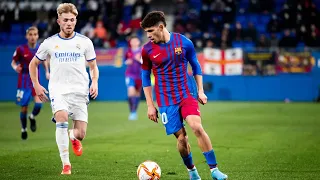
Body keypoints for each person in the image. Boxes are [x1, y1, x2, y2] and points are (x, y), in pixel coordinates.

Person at [140, 11, 228, 180]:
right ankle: (192, 171)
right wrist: (150, 105)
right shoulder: (147, 50)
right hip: (165, 100)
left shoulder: (184, 43)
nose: (148, 35)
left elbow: (196, 67)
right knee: (182, 139)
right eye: (146, 32)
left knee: (196, 126)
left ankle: (214, 170)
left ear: (160, 27)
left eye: (150, 31)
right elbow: (145, 78)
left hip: (186, 93)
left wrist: (201, 90)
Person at [29, 3, 99, 175]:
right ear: (59, 20)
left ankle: (73, 136)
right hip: (58, 90)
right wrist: (36, 84)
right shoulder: (49, 43)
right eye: (66, 20)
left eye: (72, 20)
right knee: (61, 118)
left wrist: (94, 81)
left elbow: (93, 66)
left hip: (80, 91)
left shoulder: (85, 42)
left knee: (81, 133)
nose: (69, 23)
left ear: (76, 21)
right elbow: (33, 63)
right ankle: (66, 164)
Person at [11, 26, 49, 140]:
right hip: (23, 81)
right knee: (24, 108)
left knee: (38, 104)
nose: (33, 37)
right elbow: (13, 62)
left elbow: (44, 60)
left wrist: (47, 72)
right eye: (30, 34)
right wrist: (15, 67)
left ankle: (32, 117)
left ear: (37, 36)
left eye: (35, 34)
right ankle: (24, 129)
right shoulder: (21, 49)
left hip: (35, 80)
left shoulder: (40, 49)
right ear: (27, 36)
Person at [124, 36, 142, 120]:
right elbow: (125, 60)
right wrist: (127, 62)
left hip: (140, 75)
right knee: (131, 92)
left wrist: (139, 60)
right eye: (132, 41)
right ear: (130, 42)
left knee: (137, 93)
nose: (134, 42)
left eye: (136, 41)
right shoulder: (128, 51)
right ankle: (132, 112)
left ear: (138, 42)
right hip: (130, 74)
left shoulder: (142, 51)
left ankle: (135, 111)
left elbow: (147, 62)